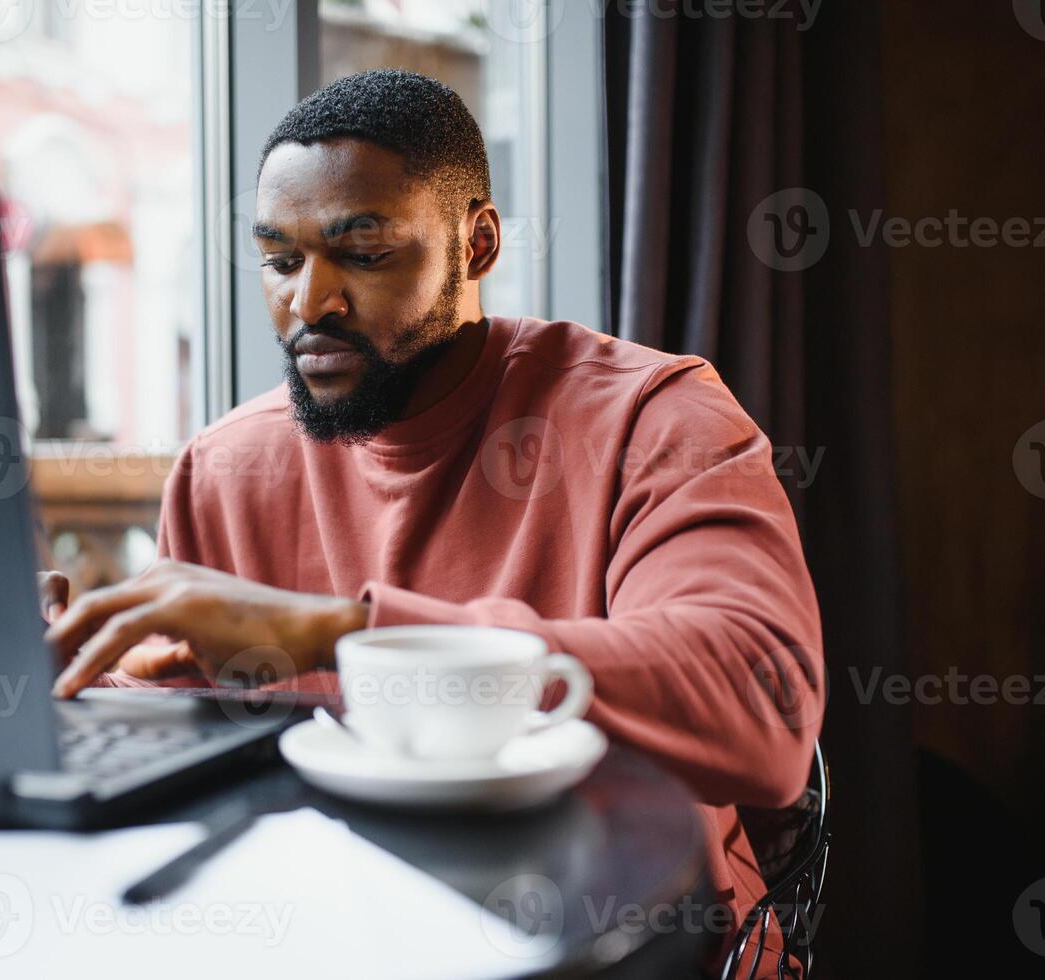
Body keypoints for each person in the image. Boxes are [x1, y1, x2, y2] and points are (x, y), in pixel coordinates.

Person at [41, 69, 823, 970]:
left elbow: (761, 706)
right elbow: (188, 747)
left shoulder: (656, 418)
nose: (309, 304)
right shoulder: (225, 468)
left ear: (477, 243)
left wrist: (342, 634)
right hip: (329, 938)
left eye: (363, 255)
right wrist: (58, 677)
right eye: (281, 260)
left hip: (629, 942)